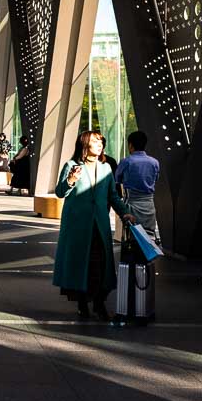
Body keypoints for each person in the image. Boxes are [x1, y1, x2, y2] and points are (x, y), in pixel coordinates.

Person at [53, 130, 136, 321]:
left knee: (101, 264)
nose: (100, 145)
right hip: (77, 226)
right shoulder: (72, 165)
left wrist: (125, 213)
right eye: (95, 142)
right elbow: (59, 192)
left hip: (99, 224)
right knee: (81, 264)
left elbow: (113, 196)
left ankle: (99, 303)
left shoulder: (106, 168)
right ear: (84, 145)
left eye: (101, 142)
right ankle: (82, 304)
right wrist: (71, 180)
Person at [116, 131, 161, 244]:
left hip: (132, 204)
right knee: (147, 238)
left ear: (130, 145)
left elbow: (117, 179)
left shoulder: (126, 162)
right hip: (149, 205)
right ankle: (147, 260)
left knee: (132, 238)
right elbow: (156, 179)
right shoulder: (155, 162)